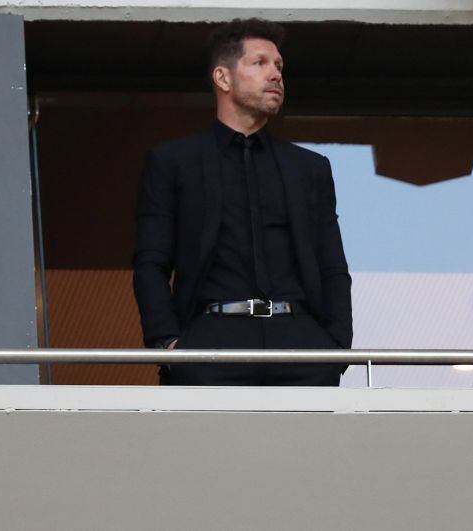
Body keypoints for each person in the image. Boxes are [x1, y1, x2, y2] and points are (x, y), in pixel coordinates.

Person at [133, 18, 352, 385]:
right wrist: (167, 345)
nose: (276, 75)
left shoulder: (309, 168)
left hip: (301, 342)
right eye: (260, 63)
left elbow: (333, 266)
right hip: (209, 341)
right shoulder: (173, 162)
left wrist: (336, 348)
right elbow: (150, 262)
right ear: (223, 78)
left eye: (279, 66)